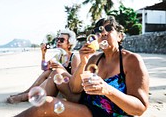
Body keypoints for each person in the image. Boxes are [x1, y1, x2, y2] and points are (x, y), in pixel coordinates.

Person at [14, 16, 149, 117]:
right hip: (87, 106)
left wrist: (107, 89)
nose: (103, 33)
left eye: (109, 28)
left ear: (120, 36)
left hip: (109, 113)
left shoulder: (131, 60)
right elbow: (75, 88)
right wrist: (84, 61)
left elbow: (140, 108)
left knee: (47, 104)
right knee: (53, 83)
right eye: (98, 31)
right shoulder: (95, 59)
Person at [7, 29, 81, 104]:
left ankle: (26, 96)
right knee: (48, 71)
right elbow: (44, 68)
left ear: (69, 43)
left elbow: (74, 82)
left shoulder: (74, 58)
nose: (58, 42)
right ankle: (27, 92)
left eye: (62, 40)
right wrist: (43, 54)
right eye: (57, 39)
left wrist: (61, 68)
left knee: (55, 72)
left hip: (66, 88)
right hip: (55, 84)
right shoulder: (59, 56)